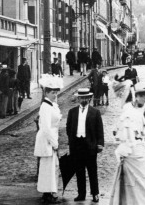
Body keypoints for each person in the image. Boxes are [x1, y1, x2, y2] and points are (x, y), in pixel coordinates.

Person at [109, 84, 145, 205]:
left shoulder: (127, 111)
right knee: (141, 183)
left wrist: (122, 151)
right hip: (140, 150)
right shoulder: (136, 110)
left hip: (132, 151)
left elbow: (128, 137)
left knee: (135, 184)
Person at [66, 88, 104, 203]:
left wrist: (100, 143)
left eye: (86, 97)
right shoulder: (72, 112)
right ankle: (81, 193)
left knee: (92, 171)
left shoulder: (95, 112)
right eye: (81, 97)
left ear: (89, 98)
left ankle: (95, 193)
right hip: (77, 145)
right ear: (78, 98)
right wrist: (72, 140)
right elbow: (68, 128)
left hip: (90, 145)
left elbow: (99, 129)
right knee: (79, 171)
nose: (84, 99)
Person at [34, 75, 63, 204]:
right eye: (52, 92)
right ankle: (47, 194)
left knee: (52, 167)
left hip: (51, 138)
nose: (55, 94)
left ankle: (49, 192)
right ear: (46, 92)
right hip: (47, 140)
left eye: (56, 92)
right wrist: (54, 142)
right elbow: (45, 127)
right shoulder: (45, 106)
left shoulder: (52, 104)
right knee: (47, 168)